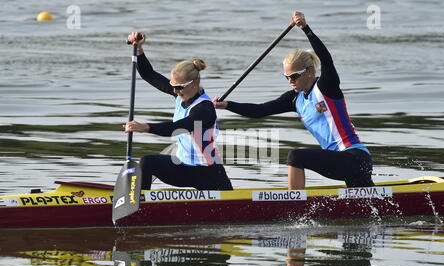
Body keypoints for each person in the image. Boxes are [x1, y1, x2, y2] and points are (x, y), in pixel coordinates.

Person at [213, 12, 374, 189]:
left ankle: (295, 207)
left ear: (310, 71)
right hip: (341, 163)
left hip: (355, 158)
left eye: (295, 76)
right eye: (287, 77)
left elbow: (327, 59)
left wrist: (306, 28)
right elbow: (259, 110)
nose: (291, 81)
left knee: (296, 157)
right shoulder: (294, 99)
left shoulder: (327, 87)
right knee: (374, 204)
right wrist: (228, 105)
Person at [124, 32, 233, 191]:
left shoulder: (205, 108)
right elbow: (149, 75)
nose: (175, 91)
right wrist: (139, 49)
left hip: (207, 172)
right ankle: (141, 204)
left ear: (195, 83)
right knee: (148, 162)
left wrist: (146, 127)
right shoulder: (180, 92)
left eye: (179, 87)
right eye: (173, 86)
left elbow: (178, 128)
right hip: (182, 166)